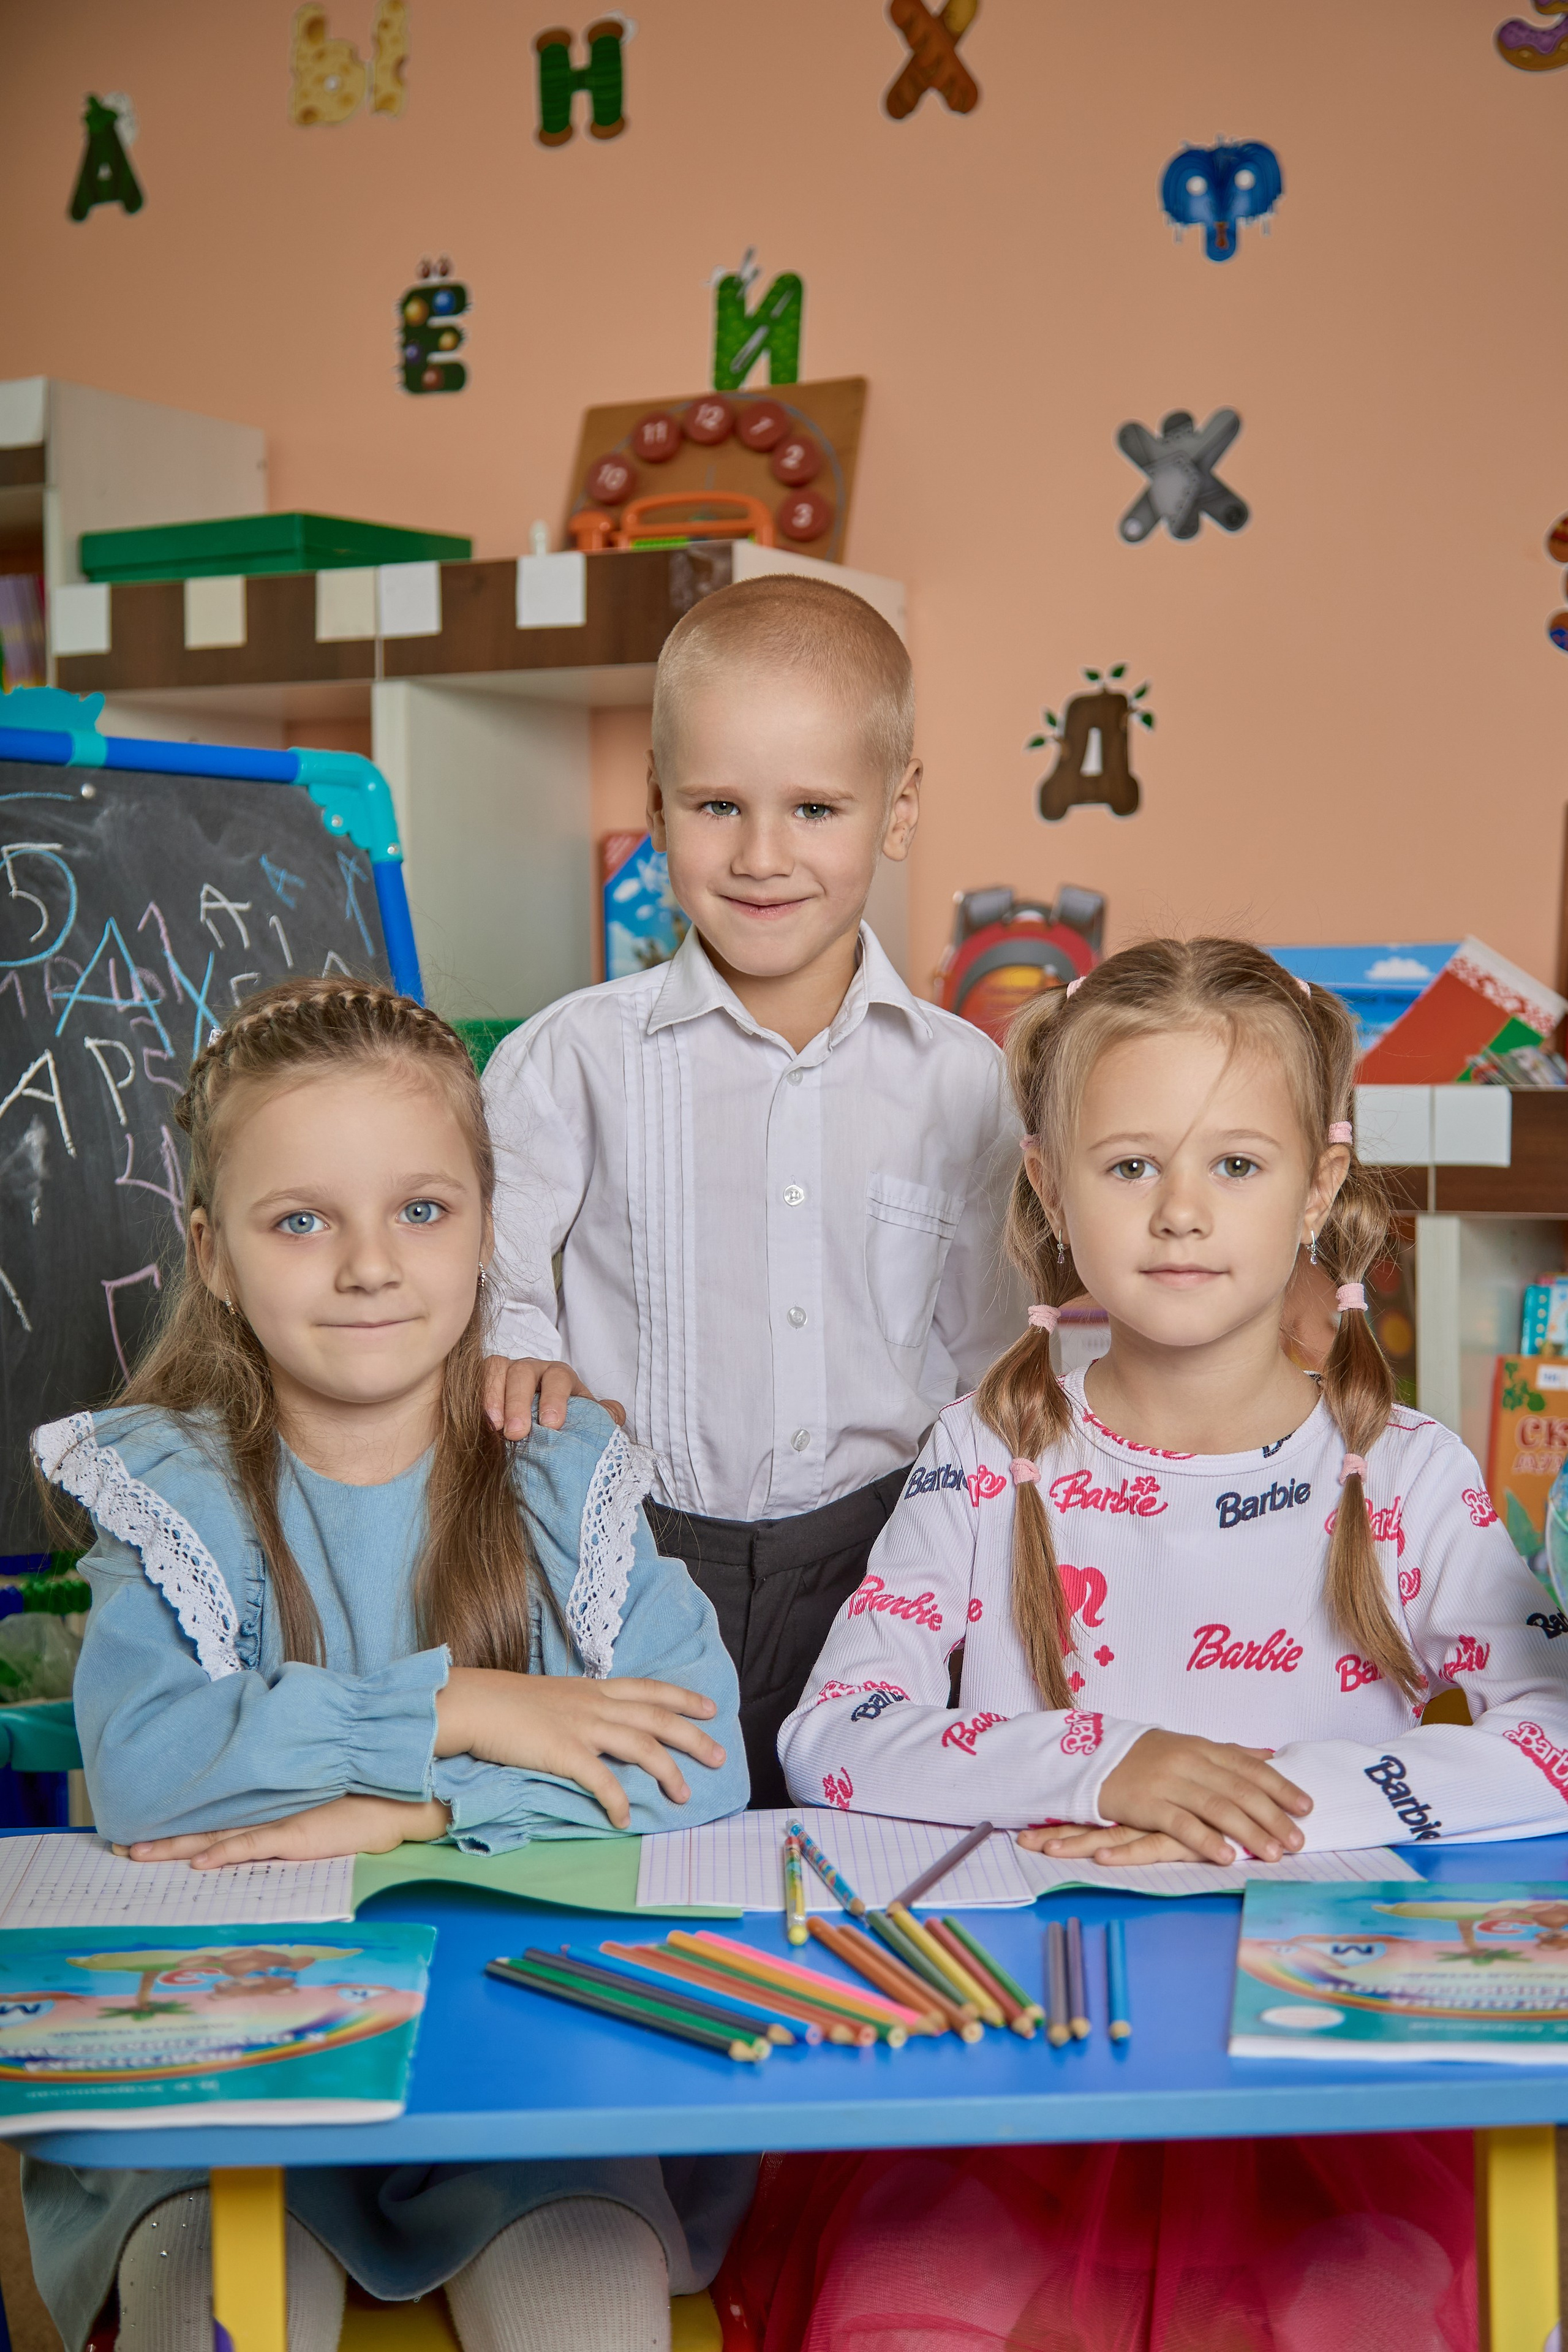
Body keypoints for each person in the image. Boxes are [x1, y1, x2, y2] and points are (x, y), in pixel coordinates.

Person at [735, 937, 1568, 2352]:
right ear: (1052, 1192)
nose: (1180, 1213)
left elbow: (1550, 1732)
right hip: (1021, 2054)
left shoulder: (1408, 1474)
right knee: (910, 2301)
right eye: (1129, 1168)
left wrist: (1259, 1807)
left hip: (1319, 2064)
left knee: (1361, 2308)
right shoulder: (991, 1453)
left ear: (1318, 1185)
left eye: (1235, 1167)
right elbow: (833, 1733)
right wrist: (1107, 1765)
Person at [24, 976, 750, 2352]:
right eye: (301, 1221)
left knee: (588, 2314)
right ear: (215, 1252)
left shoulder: (557, 1469)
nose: (370, 1265)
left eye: (422, 1211)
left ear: (486, 1231)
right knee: (213, 2315)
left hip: (520, 2057)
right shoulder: (178, 1484)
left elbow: (696, 1759)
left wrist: (416, 1813)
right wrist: (465, 1709)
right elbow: (150, 1769)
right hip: (224, 2071)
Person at [480, 573, 1022, 1804]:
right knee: (637, 1836)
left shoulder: (963, 1079)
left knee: (867, 1845)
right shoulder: (567, 1061)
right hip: (624, 1552)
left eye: (815, 807)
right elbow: (490, 1278)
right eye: (717, 804)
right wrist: (516, 1353)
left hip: (883, 1552)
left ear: (897, 810)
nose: (763, 855)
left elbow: (986, 1352)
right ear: (656, 806)